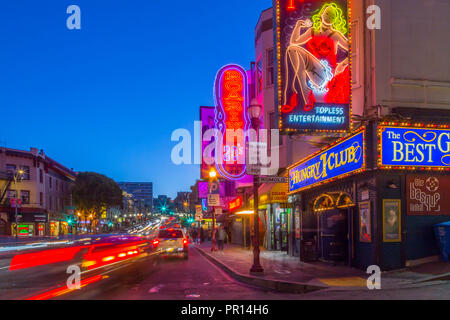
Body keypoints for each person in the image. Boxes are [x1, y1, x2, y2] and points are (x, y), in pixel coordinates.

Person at [282, 3, 350, 113]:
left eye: (332, 16)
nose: (329, 17)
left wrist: (342, 64)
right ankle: (295, 91)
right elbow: (294, 42)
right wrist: (298, 25)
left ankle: (301, 91)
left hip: (326, 74)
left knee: (294, 51)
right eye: (327, 13)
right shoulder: (312, 31)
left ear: (335, 20)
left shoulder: (335, 35)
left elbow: (353, 49)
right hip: (312, 71)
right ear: (322, 14)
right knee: (291, 49)